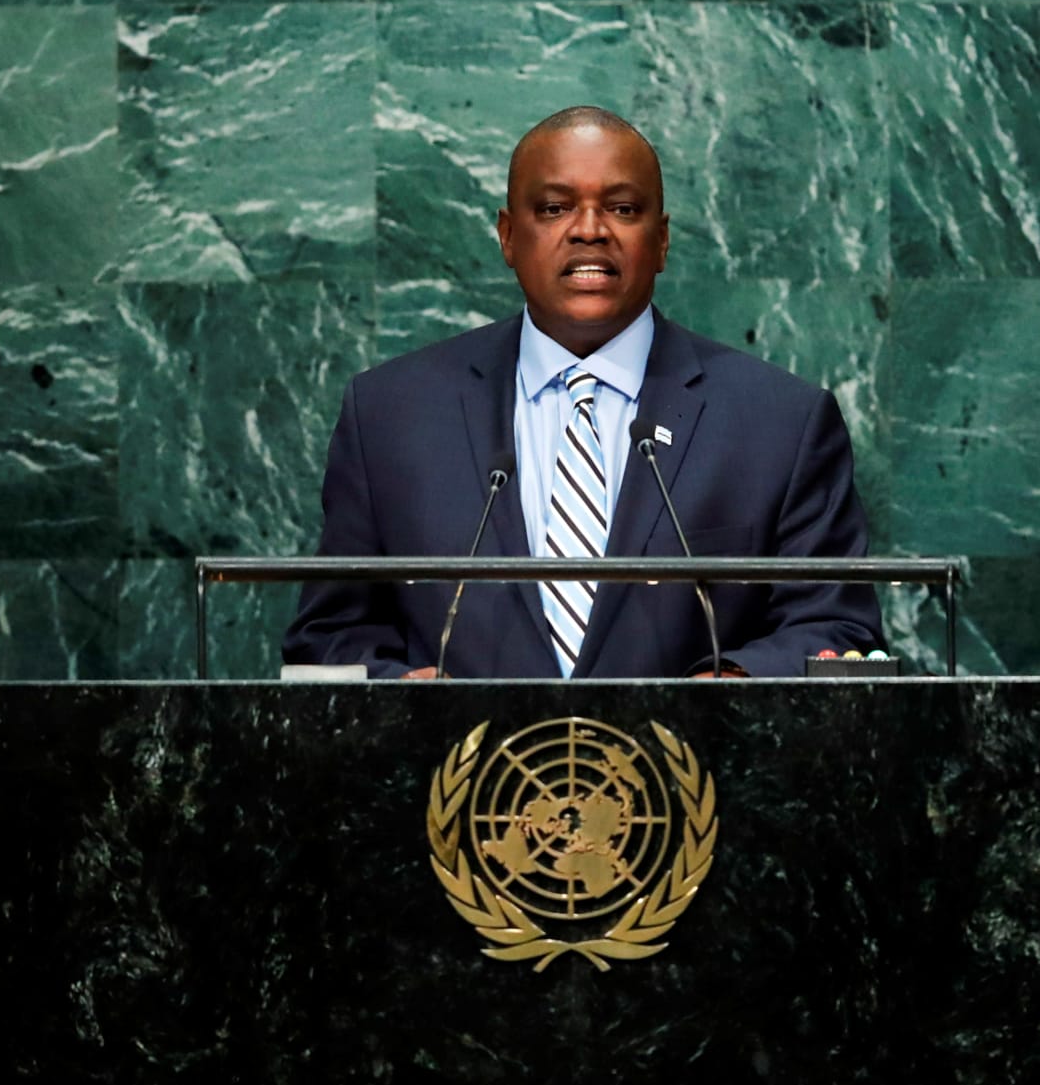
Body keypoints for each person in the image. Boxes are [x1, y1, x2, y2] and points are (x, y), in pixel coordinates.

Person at [281, 106, 884, 678]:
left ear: (664, 239)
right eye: (553, 208)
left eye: (623, 209)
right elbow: (331, 634)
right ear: (508, 236)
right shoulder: (390, 414)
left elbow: (834, 626)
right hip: (461, 775)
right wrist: (409, 696)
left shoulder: (781, 422)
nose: (590, 230)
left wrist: (725, 691)